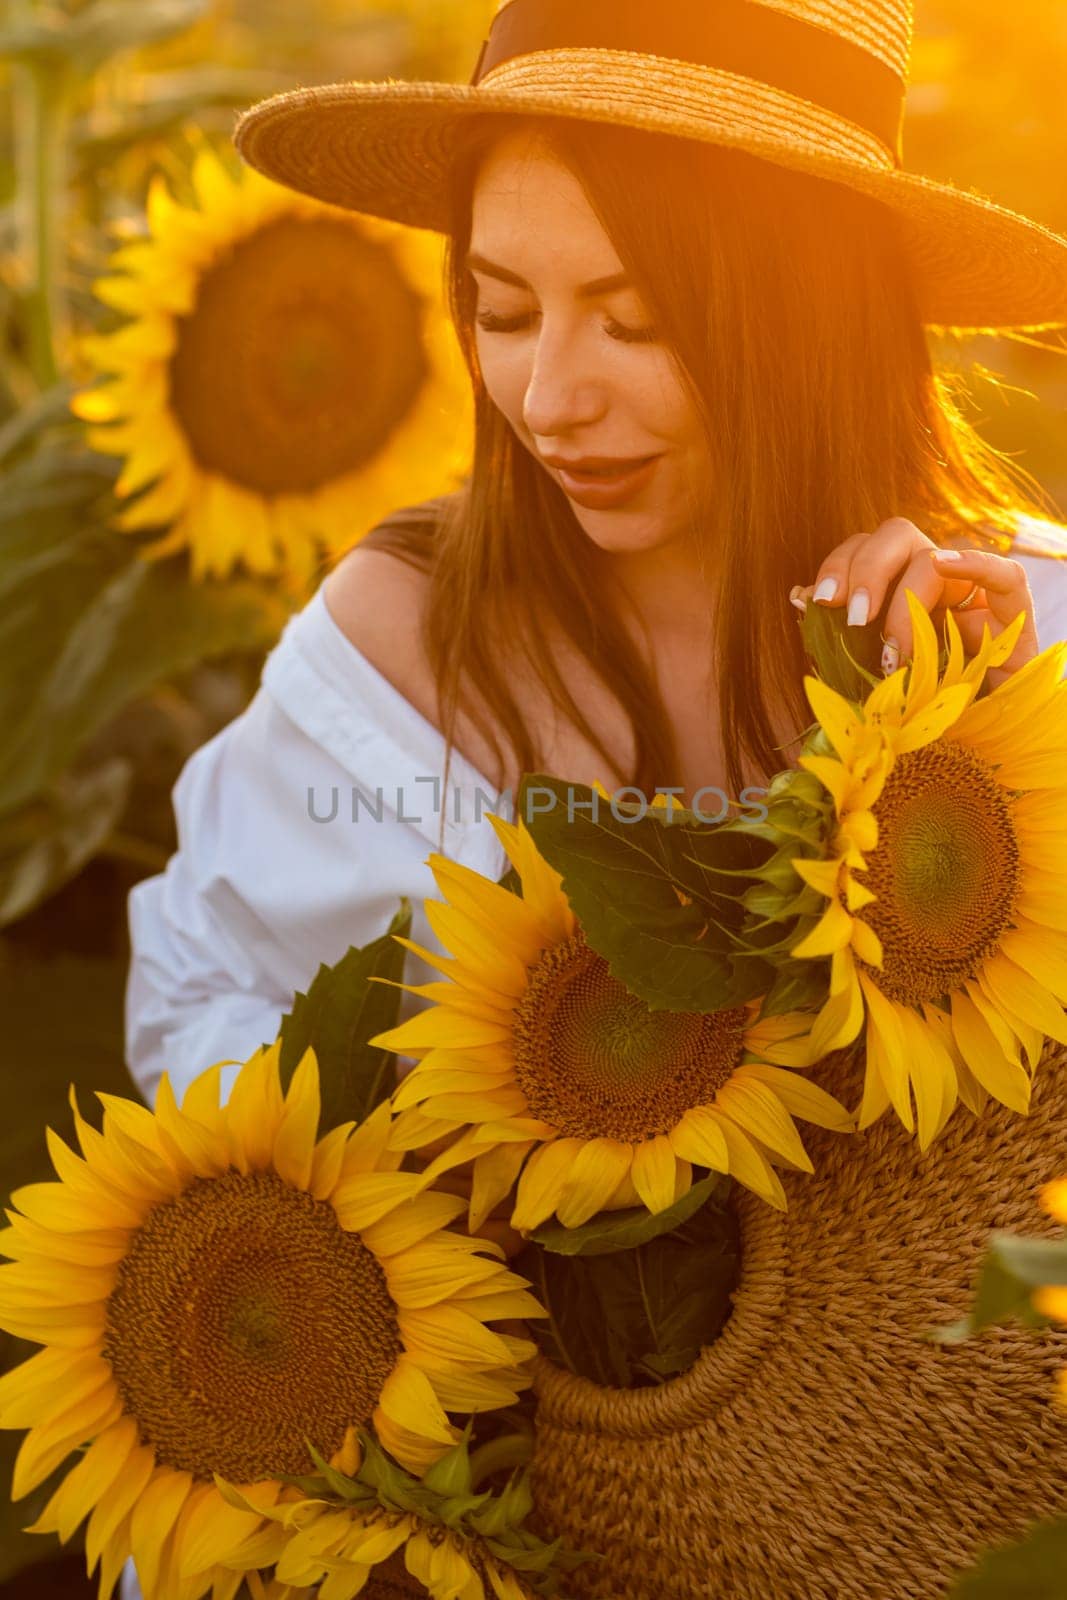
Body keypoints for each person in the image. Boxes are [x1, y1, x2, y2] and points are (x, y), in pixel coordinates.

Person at [120, 3, 1067, 1596]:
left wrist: (959, 769)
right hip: (529, 1504)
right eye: (504, 310)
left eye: (633, 322)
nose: (550, 396)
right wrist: (486, 1093)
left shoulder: (1022, 631)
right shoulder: (403, 642)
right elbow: (203, 1006)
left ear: (811, 313)